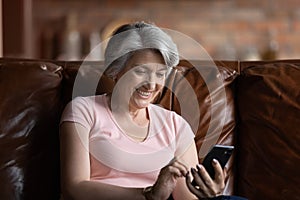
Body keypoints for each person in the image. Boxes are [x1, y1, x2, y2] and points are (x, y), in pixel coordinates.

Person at [59, 22, 227, 200]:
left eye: (160, 74)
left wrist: (208, 196)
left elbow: (186, 197)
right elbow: (74, 187)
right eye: (140, 71)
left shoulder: (175, 125)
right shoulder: (84, 111)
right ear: (115, 69)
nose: (152, 85)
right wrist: (148, 195)